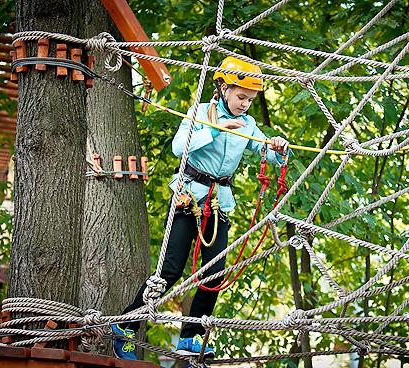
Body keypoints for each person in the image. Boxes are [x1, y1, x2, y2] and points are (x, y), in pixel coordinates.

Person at [112, 56, 289, 360]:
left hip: (219, 201)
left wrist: (278, 149)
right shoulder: (200, 113)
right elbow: (179, 148)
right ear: (222, 88)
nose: (245, 104)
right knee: (169, 270)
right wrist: (218, 129)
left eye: (250, 99)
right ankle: (126, 325)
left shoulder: (249, 124)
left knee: (215, 273)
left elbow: (265, 152)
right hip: (188, 197)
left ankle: (189, 338)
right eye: (241, 96)